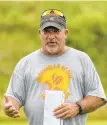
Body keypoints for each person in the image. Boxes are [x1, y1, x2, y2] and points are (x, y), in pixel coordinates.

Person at [3, 9, 107, 125]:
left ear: (66, 33)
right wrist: (9, 107)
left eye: (56, 31)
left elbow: (98, 97)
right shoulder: (25, 63)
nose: (51, 37)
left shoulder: (82, 59)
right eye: (46, 31)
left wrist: (77, 107)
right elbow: (13, 98)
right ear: (40, 33)